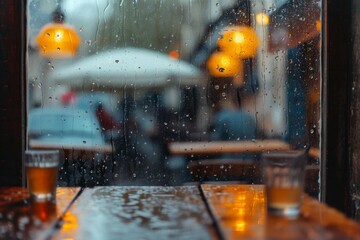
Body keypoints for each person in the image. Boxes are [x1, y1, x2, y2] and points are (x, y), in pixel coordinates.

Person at [211, 88, 257, 160]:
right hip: (248, 162)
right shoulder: (250, 118)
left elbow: (216, 140)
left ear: (229, 100)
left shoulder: (223, 117)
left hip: (227, 162)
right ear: (243, 101)